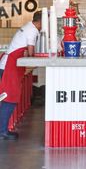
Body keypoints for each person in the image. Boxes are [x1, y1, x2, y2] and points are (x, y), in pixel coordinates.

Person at [0, 10, 42, 140]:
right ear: (41, 21)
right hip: (9, 67)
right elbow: (30, 52)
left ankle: (3, 130)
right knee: (9, 99)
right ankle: (2, 131)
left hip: (8, 65)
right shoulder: (33, 30)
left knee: (7, 99)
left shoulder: (28, 26)